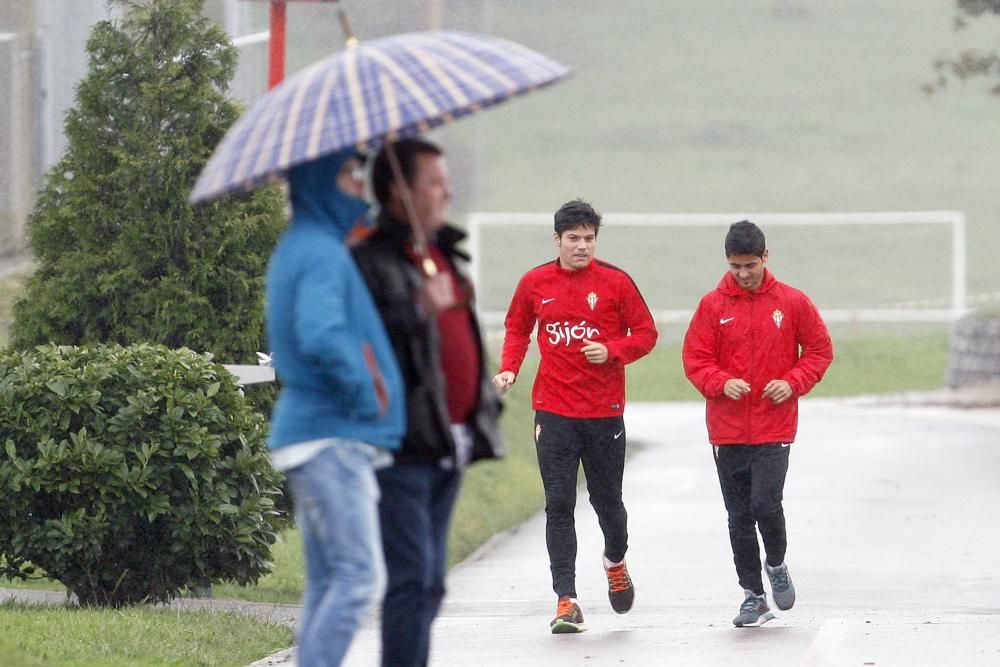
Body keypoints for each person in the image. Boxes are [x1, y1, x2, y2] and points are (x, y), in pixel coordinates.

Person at [351, 137, 504, 667]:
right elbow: (359, 347)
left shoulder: (442, 254)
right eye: (434, 182)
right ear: (398, 192)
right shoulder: (368, 261)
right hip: (401, 446)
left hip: (448, 439)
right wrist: (417, 308)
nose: (448, 192)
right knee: (412, 581)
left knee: (432, 584)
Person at [265, 149, 405, 667]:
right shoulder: (320, 250)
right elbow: (321, 335)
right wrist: (367, 394)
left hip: (314, 435)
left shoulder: (305, 244)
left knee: (329, 580)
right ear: (322, 179)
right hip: (331, 437)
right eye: (350, 173)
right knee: (358, 577)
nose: (360, 184)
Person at [492, 199, 658, 634]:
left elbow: (646, 333)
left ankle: (615, 561)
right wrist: (510, 366)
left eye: (589, 238)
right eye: (574, 239)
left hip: (604, 412)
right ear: (557, 240)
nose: (582, 246)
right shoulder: (535, 282)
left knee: (608, 505)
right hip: (553, 410)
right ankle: (566, 599)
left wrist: (613, 351)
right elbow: (517, 327)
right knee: (559, 503)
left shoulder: (616, 282)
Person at [681, 220, 833, 627]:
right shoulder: (712, 306)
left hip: (774, 428)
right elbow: (695, 359)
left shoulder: (793, 302)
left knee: (766, 504)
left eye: (750, 265)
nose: (743, 274)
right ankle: (753, 595)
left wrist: (793, 381)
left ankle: (778, 563)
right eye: (735, 267)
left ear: (765, 257)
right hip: (726, 431)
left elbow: (819, 350)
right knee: (738, 516)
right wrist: (720, 382)